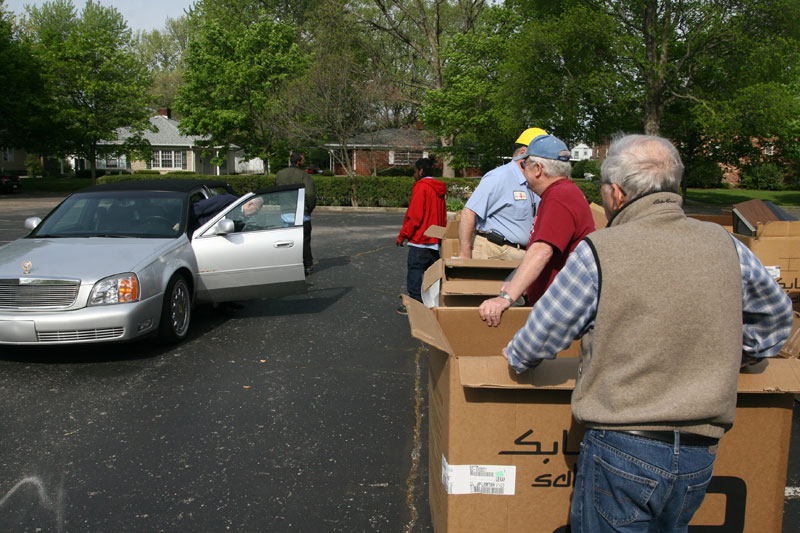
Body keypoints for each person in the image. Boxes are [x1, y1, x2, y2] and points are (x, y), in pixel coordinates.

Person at [503, 134, 794, 532]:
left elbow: (537, 339)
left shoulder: (600, 250)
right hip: (700, 449)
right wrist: (732, 353)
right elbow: (777, 319)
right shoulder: (726, 245)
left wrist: (517, 357)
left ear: (616, 193)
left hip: (623, 444)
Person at [478, 134, 595, 326]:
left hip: (559, 311)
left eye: (524, 165)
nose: (522, 170)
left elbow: (542, 251)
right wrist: (517, 282)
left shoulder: (559, 197)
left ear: (538, 169)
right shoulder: (560, 193)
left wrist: (506, 298)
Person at [458, 127, 547, 260]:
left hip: (521, 254)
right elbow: (468, 213)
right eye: (542, 156)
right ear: (524, 153)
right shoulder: (499, 177)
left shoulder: (535, 182)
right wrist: (465, 255)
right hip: (494, 252)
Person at [395, 157, 447, 315]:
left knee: (415, 272)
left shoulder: (421, 187)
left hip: (420, 240)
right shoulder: (439, 189)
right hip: (434, 240)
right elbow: (443, 216)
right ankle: (433, 303)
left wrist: (403, 235)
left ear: (421, 171)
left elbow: (415, 215)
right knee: (433, 277)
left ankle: (416, 304)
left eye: (415, 171)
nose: (414, 174)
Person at [276, 151, 316, 275]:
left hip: (285, 213)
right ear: (298, 161)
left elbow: (277, 191)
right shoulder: (304, 176)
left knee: (288, 243)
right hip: (301, 214)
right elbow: (310, 195)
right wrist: (309, 209)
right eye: (303, 160)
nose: (304, 162)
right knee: (304, 242)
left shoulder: (280, 174)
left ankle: (290, 265)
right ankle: (307, 265)